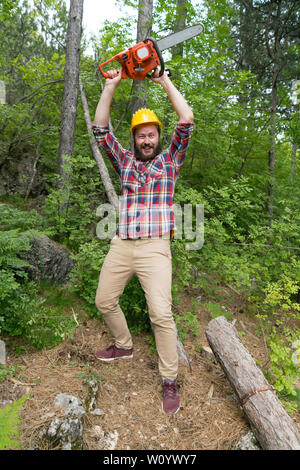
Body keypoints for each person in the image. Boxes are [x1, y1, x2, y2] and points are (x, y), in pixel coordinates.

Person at [92, 67, 194, 414]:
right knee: (104, 300)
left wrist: (163, 80)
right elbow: (101, 131)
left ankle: (169, 380)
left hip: (155, 248)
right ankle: (124, 345)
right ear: (134, 139)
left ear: (158, 137)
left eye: (151, 135)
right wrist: (110, 87)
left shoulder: (170, 161)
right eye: (141, 136)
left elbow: (187, 120)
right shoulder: (124, 163)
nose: (146, 140)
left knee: (160, 314)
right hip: (122, 244)